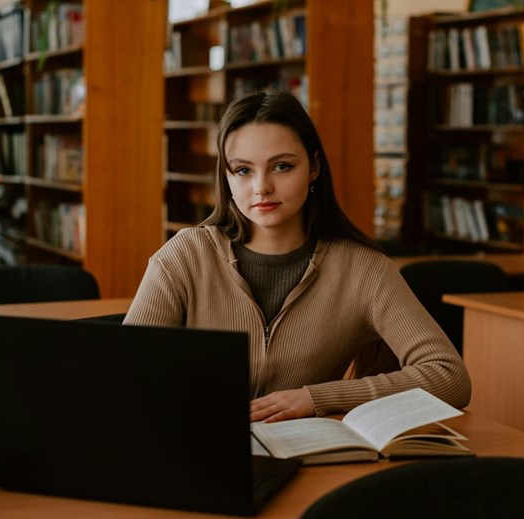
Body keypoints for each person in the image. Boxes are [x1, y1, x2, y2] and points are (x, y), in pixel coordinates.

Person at [124, 91, 471, 423]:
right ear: (226, 176)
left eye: (282, 166)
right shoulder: (185, 255)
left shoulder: (363, 269)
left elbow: (449, 376)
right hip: (196, 451)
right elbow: (125, 373)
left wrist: (317, 398)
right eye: (243, 170)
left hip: (305, 458)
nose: (262, 187)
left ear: (314, 167)